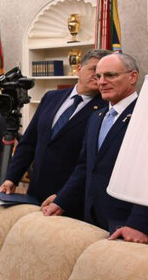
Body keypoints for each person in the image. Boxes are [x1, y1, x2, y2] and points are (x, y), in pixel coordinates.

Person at [42, 53, 148, 244]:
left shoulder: (144, 115)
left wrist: (139, 223)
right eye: (99, 76)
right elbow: (85, 167)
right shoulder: (97, 117)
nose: (102, 82)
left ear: (132, 77)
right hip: (92, 219)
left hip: (129, 227)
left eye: (110, 75)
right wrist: (62, 200)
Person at [0, 49, 109, 207]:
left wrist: (63, 198)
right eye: (94, 69)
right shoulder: (51, 97)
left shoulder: (106, 109)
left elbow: (91, 163)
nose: (98, 76)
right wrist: (12, 177)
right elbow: (29, 142)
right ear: (79, 69)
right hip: (36, 192)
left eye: (104, 73)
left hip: (70, 200)